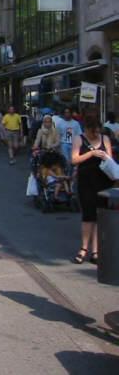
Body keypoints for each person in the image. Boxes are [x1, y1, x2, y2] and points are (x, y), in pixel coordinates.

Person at [70, 110, 114, 265]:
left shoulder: (105, 139)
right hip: (86, 182)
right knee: (88, 216)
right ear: (87, 129)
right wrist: (91, 153)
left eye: (98, 131)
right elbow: (74, 160)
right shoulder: (79, 139)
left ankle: (96, 250)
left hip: (103, 182)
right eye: (93, 131)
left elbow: (110, 160)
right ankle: (83, 248)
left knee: (100, 216)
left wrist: (105, 156)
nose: (96, 134)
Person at [56, 107, 82, 175]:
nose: (67, 114)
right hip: (64, 144)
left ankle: (72, 175)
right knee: (66, 161)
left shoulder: (76, 123)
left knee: (73, 161)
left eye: (68, 112)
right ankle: (67, 175)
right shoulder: (60, 123)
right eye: (66, 112)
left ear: (71, 113)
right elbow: (58, 134)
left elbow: (79, 134)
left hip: (73, 144)